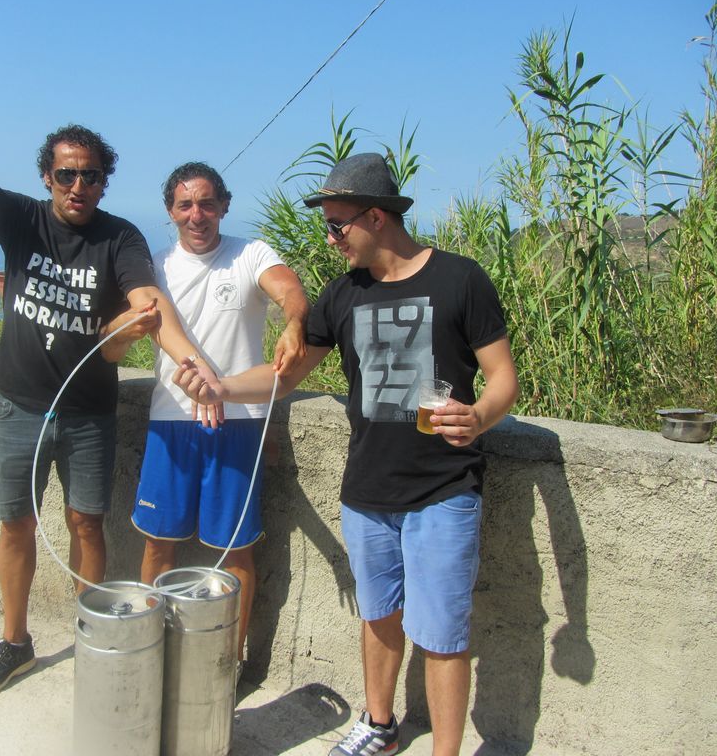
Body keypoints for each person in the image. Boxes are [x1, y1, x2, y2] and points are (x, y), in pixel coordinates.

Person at [0, 70, 219, 698]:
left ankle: (93, 635)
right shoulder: (21, 220)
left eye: (92, 176)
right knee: (16, 525)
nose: (79, 186)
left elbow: (148, 304)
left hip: (90, 413)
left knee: (87, 524)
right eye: (67, 174)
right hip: (19, 407)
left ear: (104, 182)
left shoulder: (119, 237)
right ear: (47, 177)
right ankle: (14, 642)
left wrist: (190, 362)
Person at [172, 153, 519, 756]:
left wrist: (479, 416)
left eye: (337, 225)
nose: (330, 239)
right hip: (366, 492)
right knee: (378, 615)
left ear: (377, 218)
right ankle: (379, 726)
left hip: (444, 489)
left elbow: (503, 379)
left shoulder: (461, 280)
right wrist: (220, 388)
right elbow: (286, 375)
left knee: (442, 634)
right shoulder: (342, 294)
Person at [101, 162, 309, 672]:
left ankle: (228, 664)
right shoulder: (154, 268)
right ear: (170, 211)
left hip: (238, 421)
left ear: (224, 206)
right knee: (158, 543)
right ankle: (150, 652)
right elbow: (116, 333)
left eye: (208, 203)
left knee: (235, 552)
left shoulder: (250, 253)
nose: (197, 215)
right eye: (185, 205)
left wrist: (294, 322)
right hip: (171, 420)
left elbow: (288, 289)